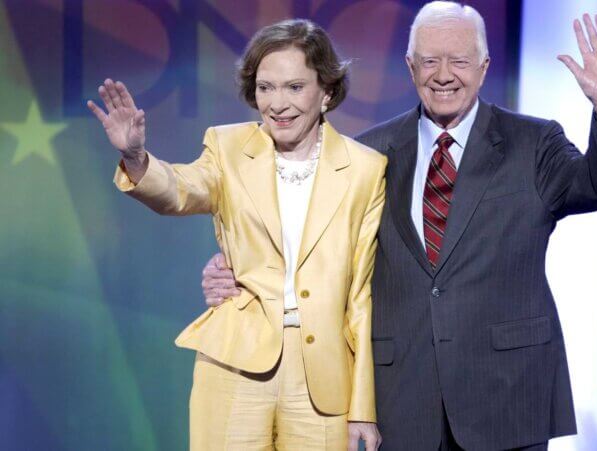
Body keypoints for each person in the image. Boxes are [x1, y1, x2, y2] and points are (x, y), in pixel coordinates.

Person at [201, 2, 597, 450]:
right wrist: (241, 273)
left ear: (484, 67)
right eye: (430, 60)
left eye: (459, 60)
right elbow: (316, 250)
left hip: (506, 397)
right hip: (403, 402)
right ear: (411, 67)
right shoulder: (367, 155)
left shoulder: (534, 142)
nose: (443, 74)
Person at [88, 19, 386, 451]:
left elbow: (360, 297)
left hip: (323, 378)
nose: (277, 104)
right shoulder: (227, 148)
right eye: (265, 88)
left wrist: (363, 406)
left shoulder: (365, 169)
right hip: (235, 364)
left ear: (326, 91)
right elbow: (179, 190)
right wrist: (135, 157)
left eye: (294, 87)